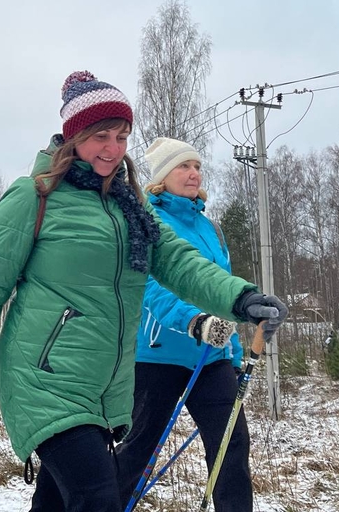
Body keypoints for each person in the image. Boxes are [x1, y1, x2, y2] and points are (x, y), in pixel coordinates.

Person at [0, 71, 288, 512]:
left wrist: (241, 298)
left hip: (104, 388)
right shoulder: (34, 197)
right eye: (101, 135)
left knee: (59, 502)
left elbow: (179, 263)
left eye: (121, 136)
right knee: (98, 498)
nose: (113, 149)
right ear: (74, 135)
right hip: (46, 380)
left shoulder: (128, 205)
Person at [116, 137, 253, 512]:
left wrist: (234, 353)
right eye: (183, 166)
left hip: (211, 359)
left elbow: (221, 292)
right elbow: (148, 285)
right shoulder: (147, 219)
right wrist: (191, 321)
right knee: (138, 449)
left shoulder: (210, 228)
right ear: (162, 177)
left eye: (196, 166)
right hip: (157, 356)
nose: (193, 173)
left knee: (231, 445)